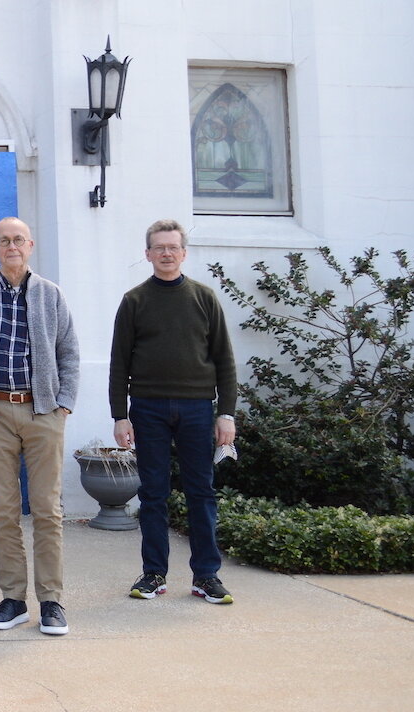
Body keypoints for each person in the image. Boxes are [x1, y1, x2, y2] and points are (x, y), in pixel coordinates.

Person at [0, 217, 80, 636]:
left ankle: (51, 601)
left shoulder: (50, 295)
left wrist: (62, 406)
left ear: (30, 244)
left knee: (47, 510)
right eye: (3, 241)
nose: (11, 246)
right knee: (4, 512)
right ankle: (13, 599)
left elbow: (69, 354)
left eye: (18, 239)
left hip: (43, 412)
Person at [110, 218, 238, 605]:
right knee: (153, 494)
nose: (166, 253)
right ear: (147, 254)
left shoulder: (204, 297)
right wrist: (120, 415)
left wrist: (227, 414)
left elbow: (225, 361)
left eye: (173, 247)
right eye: (159, 248)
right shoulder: (135, 301)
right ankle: (154, 574)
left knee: (201, 492)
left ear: (183, 253)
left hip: (198, 408)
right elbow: (119, 363)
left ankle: (206, 576)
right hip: (147, 409)